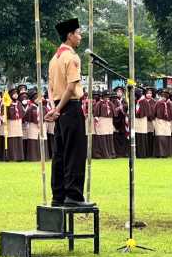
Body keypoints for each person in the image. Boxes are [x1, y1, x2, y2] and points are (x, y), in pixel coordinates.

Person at [44, 18, 94, 207]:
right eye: (78, 33)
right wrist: (58, 109)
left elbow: (49, 87)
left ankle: (58, 195)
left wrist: (54, 108)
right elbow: (73, 86)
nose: (80, 37)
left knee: (60, 153)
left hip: (58, 105)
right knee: (75, 151)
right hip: (70, 106)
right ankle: (73, 195)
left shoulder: (54, 59)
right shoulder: (71, 57)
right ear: (69, 35)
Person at [23, 90, 47, 161]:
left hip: (42, 125)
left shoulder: (42, 107)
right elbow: (26, 117)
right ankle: (33, 157)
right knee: (33, 140)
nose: (38, 100)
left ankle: (43, 157)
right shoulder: (30, 108)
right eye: (36, 99)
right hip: (33, 126)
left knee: (42, 138)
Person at [92, 91, 115, 159]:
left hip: (109, 121)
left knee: (109, 137)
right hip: (102, 121)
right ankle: (105, 154)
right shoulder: (99, 103)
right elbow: (96, 113)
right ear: (102, 97)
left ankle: (111, 153)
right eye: (105, 96)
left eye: (108, 97)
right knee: (103, 137)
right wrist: (96, 119)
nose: (107, 98)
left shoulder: (110, 103)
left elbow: (114, 113)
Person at [5, 88, 25, 161]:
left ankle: (19, 157)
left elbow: (22, 113)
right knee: (12, 139)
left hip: (18, 123)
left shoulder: (19, 103)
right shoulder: (7, 103)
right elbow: (4, 113)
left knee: (18, 138)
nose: (16, 95)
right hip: (10, 123)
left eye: (16, 94)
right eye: (14, 94)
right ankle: (12, 157)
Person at [153, 90, 172, 158]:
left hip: (167, 122)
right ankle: (160, 153)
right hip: (159, 121)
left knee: (167, 137)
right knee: (160, 137)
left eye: (165, 97)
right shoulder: (158, 103)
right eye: (162, 96)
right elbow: (154, 112)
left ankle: (166, 153)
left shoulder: (169, 104)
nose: (163, 98)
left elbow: (171, 114)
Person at [134, 88, 153, 158]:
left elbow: (148, 112)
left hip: (143, 121)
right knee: (137, 136)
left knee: (142, 137)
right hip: (136, 121)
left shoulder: (144, 101)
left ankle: (143, 154)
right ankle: (137, 153)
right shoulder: (135, 101)